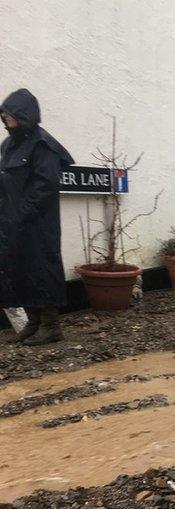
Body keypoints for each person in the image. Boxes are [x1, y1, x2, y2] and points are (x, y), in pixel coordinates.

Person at [0, 89, 74, 346]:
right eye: (4, 113)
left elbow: (45, 185)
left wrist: (21, 212)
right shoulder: (8, 145)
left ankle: (51, 326)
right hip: (13, 222)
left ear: (23, 114)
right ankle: (33, 323)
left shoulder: (43, 144)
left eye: (10, 113)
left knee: (42, 268)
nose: (5, 117)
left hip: (38, 223)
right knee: (19, 268)